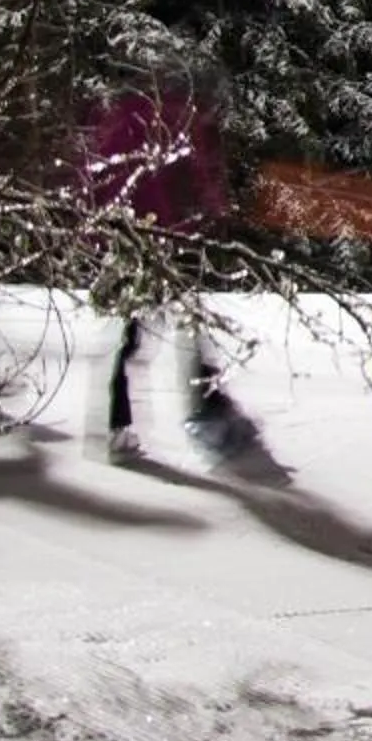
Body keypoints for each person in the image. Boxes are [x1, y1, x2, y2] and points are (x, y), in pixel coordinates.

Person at [79, 73, 251, 460]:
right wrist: (215, 211)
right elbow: (197, 177)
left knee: (132, 332)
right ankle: (212, 416)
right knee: (189, 323)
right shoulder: (179, 118)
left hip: (125, 236)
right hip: (164, 236)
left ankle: (117, 426)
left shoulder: (121, 116)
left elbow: (97, 176)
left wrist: (99, 235)